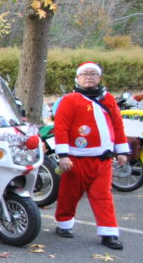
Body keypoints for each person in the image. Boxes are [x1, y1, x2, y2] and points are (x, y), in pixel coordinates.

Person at [53, 61, 130, 250]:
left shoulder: (109, 99)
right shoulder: (70, 100)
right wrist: (63, 155)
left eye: (93, 74)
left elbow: (117, 125)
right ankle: (64, 223)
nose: (89, 77)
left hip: (102, 160)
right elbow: (61, 127)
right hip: (76, 160)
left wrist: (122, 151)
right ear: (77, 78)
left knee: (103, 196)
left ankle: (109, 233)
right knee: (69, 194)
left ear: (99, 78)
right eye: (85, 74)